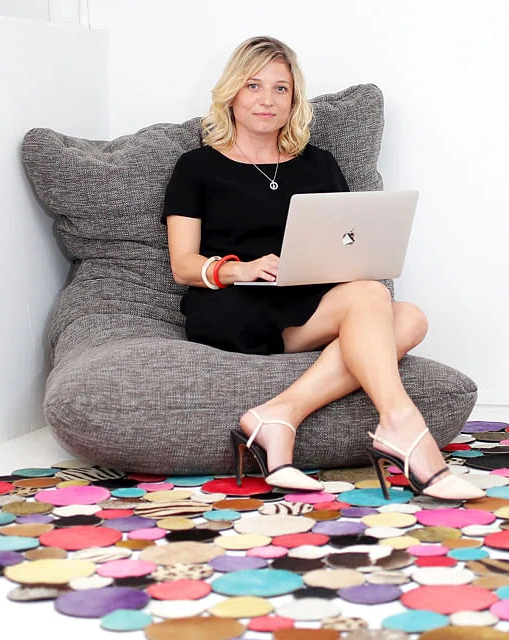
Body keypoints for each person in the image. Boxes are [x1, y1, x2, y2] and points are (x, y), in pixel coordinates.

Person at [162, 36, 483, 501]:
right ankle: (401, 423)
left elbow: (348, 238)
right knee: (373, 295)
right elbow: (183, 265)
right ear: (231, 93)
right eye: (253, 86)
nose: (267, 100)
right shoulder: (196, 167)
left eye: (280, 89)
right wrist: (240, 269)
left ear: (294, 99)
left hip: (308, 298)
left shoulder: (319, 164)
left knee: (410, 318)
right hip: (236, 303)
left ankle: (280, 414)